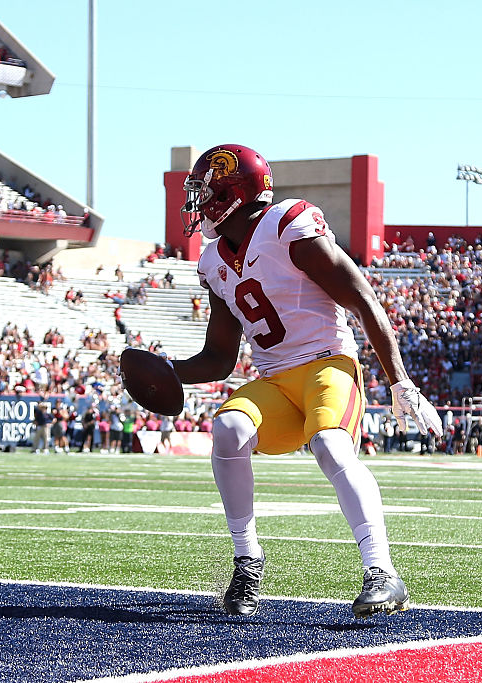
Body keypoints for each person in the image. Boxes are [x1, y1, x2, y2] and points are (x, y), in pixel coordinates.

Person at [165, 144, 443, 619]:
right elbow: (218, 358)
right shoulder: (213, 261)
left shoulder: (287, 224)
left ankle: (382, 572)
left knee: (332, 446)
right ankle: (247, 561)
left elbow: (363, 299)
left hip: (327, 365)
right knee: (228, 429)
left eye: (204, 193)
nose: (197, 204)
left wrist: (400, 382)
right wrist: (165, 371)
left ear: (230, 195)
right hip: (274, 379)